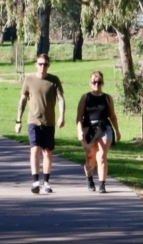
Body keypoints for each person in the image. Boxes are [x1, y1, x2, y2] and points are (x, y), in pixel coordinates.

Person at [15, 54, 65, 194]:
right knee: (35, 150)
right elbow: (23, 100)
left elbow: (60, 99)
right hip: (33, 121)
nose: (43, 67)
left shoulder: (54, 80)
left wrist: (62, 116)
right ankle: (35, 182)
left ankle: (46, 183)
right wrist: (18, 120)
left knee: (48, 152)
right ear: (36, 64)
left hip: (49, 122)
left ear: (49, 65)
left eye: (46, 64)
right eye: (41, 64)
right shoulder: (29, 80)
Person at [76, 70, 121, 194]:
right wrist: (79, 131)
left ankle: (102, 184)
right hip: (88, 129)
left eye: (99, 82)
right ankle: (89, 179)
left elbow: (112, 116)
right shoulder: (85, 97)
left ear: (102, 83)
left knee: (101, 157)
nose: (97, 84)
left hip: (104, 128)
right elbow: (79, 116)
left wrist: (117, 131)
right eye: (94, 82)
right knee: (90, 158)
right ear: (90, 83)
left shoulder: (107, 98)